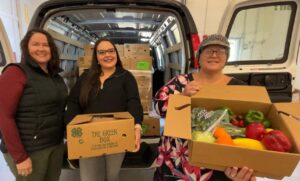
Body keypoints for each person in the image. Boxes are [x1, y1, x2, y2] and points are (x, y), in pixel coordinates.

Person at [153, 34, 256, 181]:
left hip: (218, 163)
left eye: (220, 51)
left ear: (226, 58)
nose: (214, 55)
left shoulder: (239, 88)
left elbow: (247, 130)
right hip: (178, 158)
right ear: (198, 57)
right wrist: (182, 96)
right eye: (208, 51)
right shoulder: (181, 82)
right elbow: (158, 108)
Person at [64, 38, 143, 181]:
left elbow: (134, 102)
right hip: (89, 134)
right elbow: (73, 102)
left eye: (111, 51)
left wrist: (136, 126)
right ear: (97, 57)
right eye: (102, 52)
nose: (107, 55)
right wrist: (71, 128)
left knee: (112, 176)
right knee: (90, 177)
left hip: (116, 134)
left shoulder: (126, 77)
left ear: (116, 54)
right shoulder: (86, 77)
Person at [0, 29, 68, 181]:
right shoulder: (15, 73)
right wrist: (19, 157)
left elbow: (58, 110)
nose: (41, 48)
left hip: (54, 145)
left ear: (52, 49)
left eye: (45, 45)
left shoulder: (55, 76)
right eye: (35, 44)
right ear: (26, 48)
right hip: (29, 149)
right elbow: (4, 116)